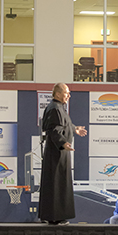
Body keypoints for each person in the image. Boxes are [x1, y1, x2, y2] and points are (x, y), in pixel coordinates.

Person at [39, 83, 87, 225]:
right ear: (58, 94)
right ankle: (55, 216)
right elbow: (53, 129)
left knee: (59, 184)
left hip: (59, 153)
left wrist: (75, 129)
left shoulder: (59, 107)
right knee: (56, 184)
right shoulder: (54, 108)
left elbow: (65, 125)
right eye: (66, 93)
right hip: (56, 153)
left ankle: (54, 216)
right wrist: (62, 143)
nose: (69, 95)